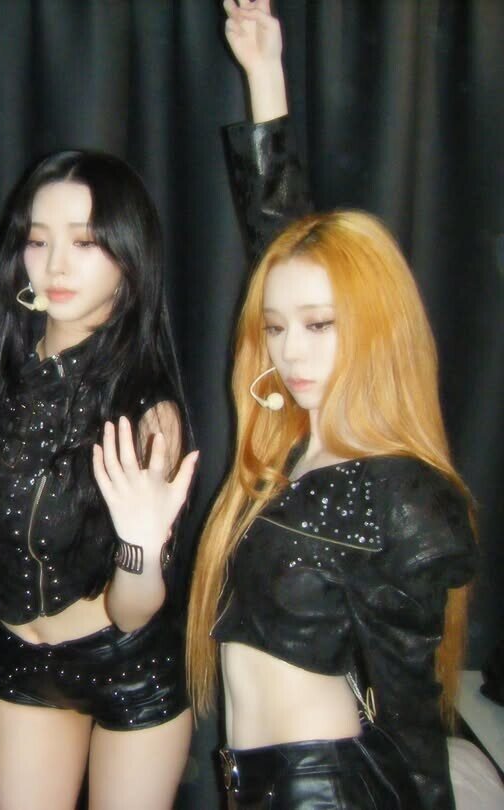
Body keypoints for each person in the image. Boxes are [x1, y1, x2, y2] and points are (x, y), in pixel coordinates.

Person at [184, 3, 478, 808]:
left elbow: (413, 724)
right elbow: (284, 246)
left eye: (321, 327)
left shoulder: (404, 493)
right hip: (249, 782)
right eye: (276, 328)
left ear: (377, 328)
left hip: (324, 790)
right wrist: (264, 75)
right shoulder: (291, 446)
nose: (291, 352)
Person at [0, 151, 199, 809]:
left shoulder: (149, 414)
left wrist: (140, 543)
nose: (55, 265)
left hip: (127, 666)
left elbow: (132, 610)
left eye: (85, 243)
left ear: (129, 256)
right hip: (21, 661)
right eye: (38, 240)